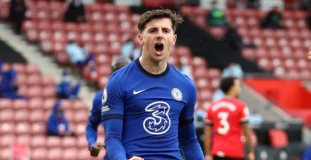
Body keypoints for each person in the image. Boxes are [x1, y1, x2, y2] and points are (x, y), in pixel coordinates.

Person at [101, 9, 204, 160]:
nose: (160, 35)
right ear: (141, 38)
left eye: (165, 30)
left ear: (173, 39)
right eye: (153, 30)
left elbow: (189, 141)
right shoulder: (118, 81)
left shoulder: (186, 85)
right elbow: (112, 138)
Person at [86, 55, 131, 159]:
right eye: (119, 73)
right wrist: (92, 143)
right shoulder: (100, 99)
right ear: (112, 75)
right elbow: (91, 125)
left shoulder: (141, 98)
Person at [204, 77, 254, 160]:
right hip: (235, 152)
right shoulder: (241, 106)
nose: (239, 88)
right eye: (238, 85)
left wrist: (208, 154)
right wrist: (251, 151)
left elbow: (207, 135)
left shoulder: (212, 106)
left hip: (217, 151)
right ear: (232, 88)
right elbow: (247, 131)